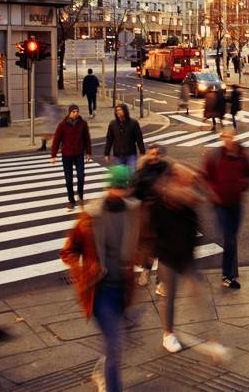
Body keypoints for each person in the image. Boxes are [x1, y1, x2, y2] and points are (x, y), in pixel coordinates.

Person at [60, 165, 140, 392]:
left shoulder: (133, 213)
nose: (120, 192)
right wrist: (86, 270)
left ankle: (101, 371)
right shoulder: (91, 218)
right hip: (99, 291)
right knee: (115, 343)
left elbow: (142, 239)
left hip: (123, 289)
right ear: (108, 187)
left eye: (123, 188)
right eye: (116, 187)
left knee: (115, 343)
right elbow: (68, 251)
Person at [152, 163, 202, 353]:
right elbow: (155, 231)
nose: (190, 186)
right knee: (169, 297)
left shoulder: (188, 203)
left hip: (186, 257)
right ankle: (168, 334)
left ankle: (210, 334)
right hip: (168, 257)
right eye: (187, 182)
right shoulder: (162, 202)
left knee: (199, 294)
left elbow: (194, 228)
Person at [201, 128, 249, 289]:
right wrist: (213, 192)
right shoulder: (215, 156)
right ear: (222, 138)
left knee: (232, 237)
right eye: (225, 137)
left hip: (236, 203)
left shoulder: (243, 155)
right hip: (220, 205)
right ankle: (228, 275)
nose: (228, 140)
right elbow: (205, 177)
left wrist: (242, 186)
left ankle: (231, 270)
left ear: (234, 137)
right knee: (229, 237)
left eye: (230, 137)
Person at [132, 146, 171, 290]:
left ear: (161, 155)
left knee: (162, 249)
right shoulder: (142, 172)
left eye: (157, 154)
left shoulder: (166, 169)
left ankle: (161, 282)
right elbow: (135, 192)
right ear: (148, 155)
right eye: (152, 154)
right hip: (148, 214)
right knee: (150, 248)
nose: (154, 156)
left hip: (164, 212)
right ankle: (146, 271)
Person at [50, 104, 92, 211]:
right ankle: (71, 201)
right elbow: (56, 140)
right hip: (67, 155)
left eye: (77, 111)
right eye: (73, 112)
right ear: (69, 113)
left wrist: (88, 153)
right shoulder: (62, 125)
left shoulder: (83, 124)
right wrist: (53, 155)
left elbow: (87, 138)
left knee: (81, 177)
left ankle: (80, 197)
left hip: (79, 154)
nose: (76, 113)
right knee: (68, 180)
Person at [104, 103, 145, 170]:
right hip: (118, 155)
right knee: (121, 176)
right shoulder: (113, 124)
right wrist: (106, 153)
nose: (118, 112)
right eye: (116, 110)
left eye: (120, 110)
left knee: (131, 175)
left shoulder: (133, 123)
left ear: (125, 111)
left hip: (131, 154)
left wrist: (142, 152)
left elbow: (139, 139)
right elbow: (109, 139)